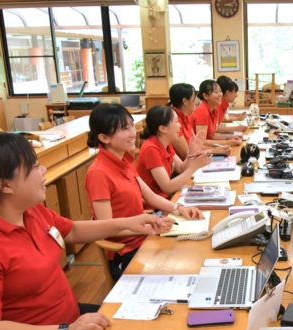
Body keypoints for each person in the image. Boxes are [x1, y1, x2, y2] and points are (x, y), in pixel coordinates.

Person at [0, 132, 172, 330]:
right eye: (35, 167)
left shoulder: (29, 210)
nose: (43, 170)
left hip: (71, 318)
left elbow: (72, 231)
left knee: (155, 325)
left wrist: (129, 222)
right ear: (4, 185)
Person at [85, 104, 203, 280]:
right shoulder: (98, 173)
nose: (133, 133)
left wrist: (180, 208)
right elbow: (106, 228)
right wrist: (149, 227)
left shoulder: (124, 161)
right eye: (124, 129)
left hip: (144, 236)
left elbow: (150, 196)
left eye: (132, 125)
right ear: (104, 138)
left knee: (194, 254)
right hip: (125, 251)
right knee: (184, 269)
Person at [136, 105, 213, 204]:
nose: (180, 125)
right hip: (157, 206)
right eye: (176, 121)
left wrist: (192, 152)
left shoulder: (166, 143)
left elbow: (181, 168)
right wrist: (195, 166)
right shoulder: (151, 149)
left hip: (168, 199)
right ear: (163, 128)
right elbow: (168, 187)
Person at [168, 83, 230, 160]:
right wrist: (214, 150)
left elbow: (197, 146)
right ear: (185, 101)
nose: (197, 101)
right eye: (194, 98)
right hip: (185, 163)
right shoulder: (174, 121)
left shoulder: (186, 117)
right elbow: (187, 154)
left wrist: (218, 149)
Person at [190, 80, 244, 149]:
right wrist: (226, 142)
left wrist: (230, 137)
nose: (220, 94)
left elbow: (211, 135)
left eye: (220, 91)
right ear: (205, 96)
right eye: (216, 92)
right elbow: (201, 141)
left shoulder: (214, 110)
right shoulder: (202, 111)